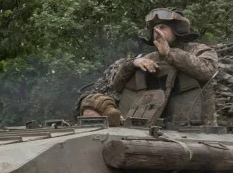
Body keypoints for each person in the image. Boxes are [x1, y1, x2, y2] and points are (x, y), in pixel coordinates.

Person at [80, 9, 219, 125]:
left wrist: (169, 54)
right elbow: (117, 86)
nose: (157, 31)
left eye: (162, 27)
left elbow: (207, 71)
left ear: (177, 30)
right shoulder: (148, 58)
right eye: (155, 28)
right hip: (150, 127)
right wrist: (132, 64)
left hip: (195, 128)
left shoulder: (198, 50)